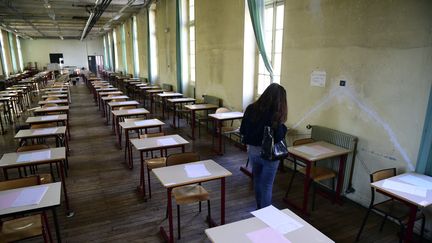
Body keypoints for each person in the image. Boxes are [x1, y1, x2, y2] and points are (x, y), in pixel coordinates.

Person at [240, 83, 288, 209]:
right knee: (267, 185)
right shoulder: (276, 115)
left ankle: (259, 207)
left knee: (257, 179)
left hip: (253, 152)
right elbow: (278, 138)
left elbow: (243, 130)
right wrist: (283, 128)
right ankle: (265, 214)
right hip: (269, 155)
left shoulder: (251, 108)